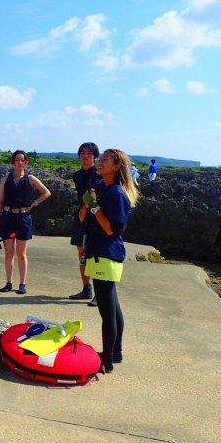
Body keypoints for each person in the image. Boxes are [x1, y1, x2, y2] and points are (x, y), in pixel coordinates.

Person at [79, 148, 139, 374]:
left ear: (117, 167)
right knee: (112, 306)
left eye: (105, 159)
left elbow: (112, 229)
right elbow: (81, 218)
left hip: (107, 253)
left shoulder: (116, 194)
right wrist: (88, 204)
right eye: (101, 158)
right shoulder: (101, 187)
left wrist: (95, 207)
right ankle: (116, 352)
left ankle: (107, 360)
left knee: (107, 311)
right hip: (96, 251)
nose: (100, 161)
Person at [0, 150, 51, 295]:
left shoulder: (30, 179)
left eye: (22, 160)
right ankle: (8, 282)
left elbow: (46, 192)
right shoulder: (6, 179)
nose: (20, 162)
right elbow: (0, 201)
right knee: (8, 253)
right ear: (13, 162)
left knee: (22, 254)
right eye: (17, 160)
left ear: (26, 162)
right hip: (7, 217)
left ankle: (22, 284)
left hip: (24, 218)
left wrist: (34, 203)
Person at [68, 142, 101, 305]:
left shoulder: (99, 175)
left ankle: (99, 293)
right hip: (81, 217)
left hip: (96, 218)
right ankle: (86, 288)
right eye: (82, 153)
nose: (85, 156)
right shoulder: (77, 175)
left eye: (89, 153)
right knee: (82, 254)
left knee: (95, 255)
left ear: (95, 156)